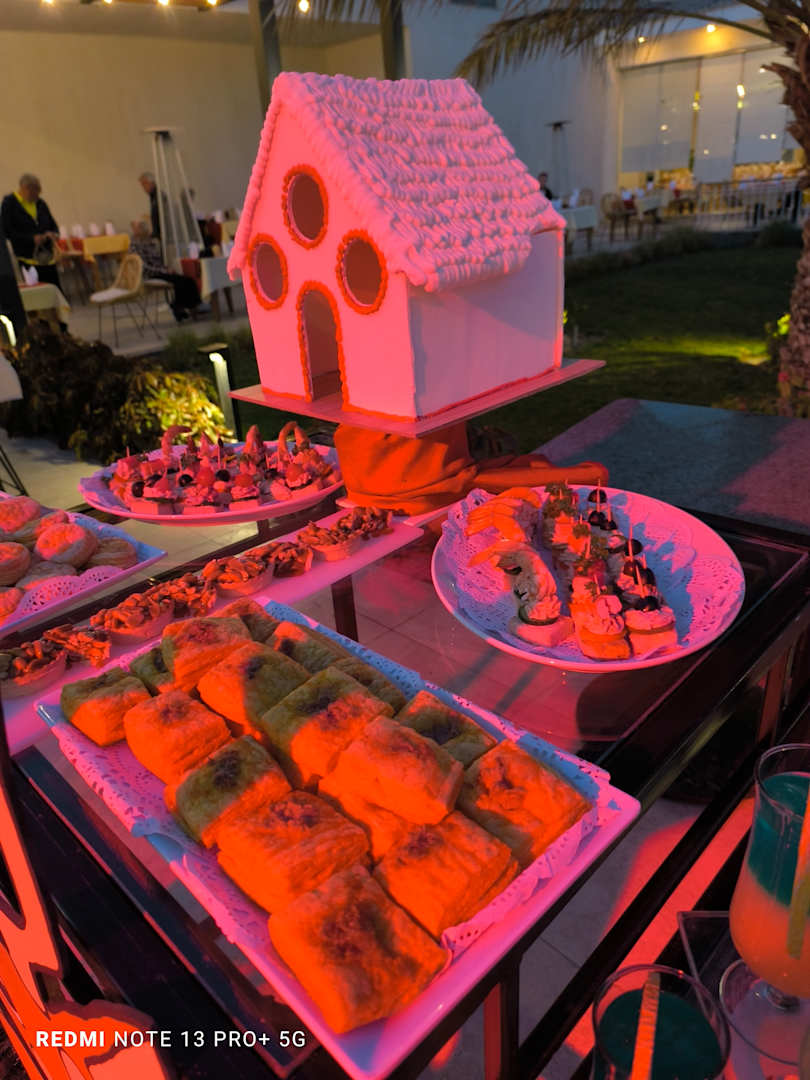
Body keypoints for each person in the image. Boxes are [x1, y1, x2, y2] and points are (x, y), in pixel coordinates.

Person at [129, 220, 202, 323]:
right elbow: (143, 267)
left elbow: (158, 262)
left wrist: (167, 268)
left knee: (188, 280)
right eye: (141, 228)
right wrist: (163, 270)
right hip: (151, 274)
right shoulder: (135, 246)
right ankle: (179, 306)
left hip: (160, 271)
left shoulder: (150, 243)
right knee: (181, 281)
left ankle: (182, 305)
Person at [0, 174, 60, 288]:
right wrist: (31, 239)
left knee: (55, 291)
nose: (39, 193)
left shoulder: (40, 203)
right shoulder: (9, 204)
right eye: (37, 189)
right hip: (27, 260)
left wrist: (53, 234)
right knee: (39, 292)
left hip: (47, 258)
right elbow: (7, 232)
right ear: (26, 188)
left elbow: (53, 225)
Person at [138, 171, 161, 239]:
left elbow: (160, 218)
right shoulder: (153, 197)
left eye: (144, 184)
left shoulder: (159, 197)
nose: (143, 188)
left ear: (151, 183)